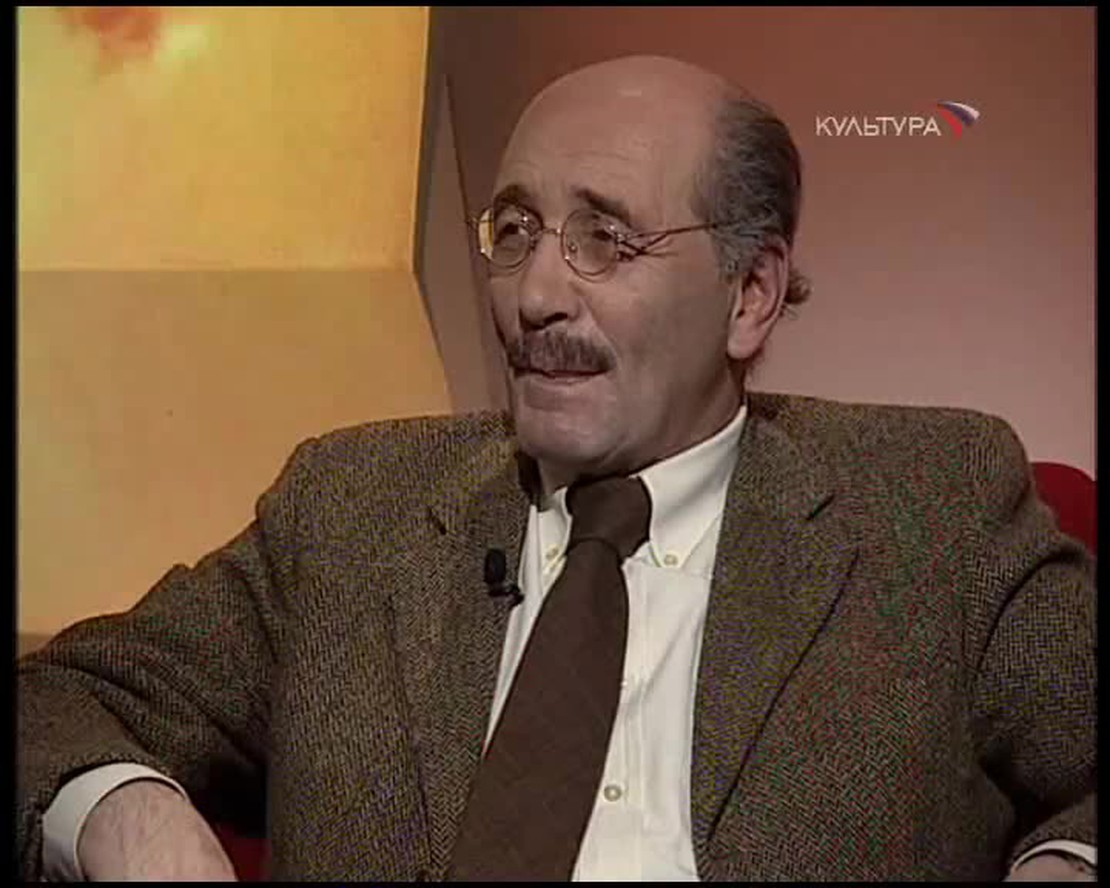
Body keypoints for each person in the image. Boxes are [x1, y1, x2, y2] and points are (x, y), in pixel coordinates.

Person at [16, 55, 1095, 882]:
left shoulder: (931, 503)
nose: (534, 296)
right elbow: (56, 702)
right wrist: (133, 821)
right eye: (516, 230)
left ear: (751, 295)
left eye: (606, 240)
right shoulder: (352, 510)